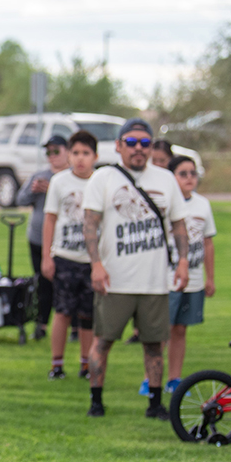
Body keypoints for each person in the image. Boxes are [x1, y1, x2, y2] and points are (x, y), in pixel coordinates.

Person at [81, 117, 189, 419]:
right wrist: (96, 265)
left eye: (144, 143)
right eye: (131, 142)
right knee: (103, 341)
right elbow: (89, 224)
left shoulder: (166, 179)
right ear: (119, 146)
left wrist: (182, 261)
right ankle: (96, 402)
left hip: (154, 280)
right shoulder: (103, 178)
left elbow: (179, 224)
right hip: (115, 279)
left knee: (154, 344)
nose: (138, 148)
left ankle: (155, 404)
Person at [41, 131, 98, 380]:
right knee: (62, 311)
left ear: (95, 156)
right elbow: (50, 219)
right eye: (75, 153)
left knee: (88, 315)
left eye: (86, 153)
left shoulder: (101, 181)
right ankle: (57, 364)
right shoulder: (59, 182)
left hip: (92, 260)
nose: (80, 158)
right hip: (65, 257)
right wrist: (47, 255)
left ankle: (86, 364)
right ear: (69, 155)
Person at [164, 155, 216, 392]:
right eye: (182, 173)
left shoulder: (202, 204)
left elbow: (208, 243)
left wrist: (210, 278)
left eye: (193, 173)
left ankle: (174, 378)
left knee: (180, 329)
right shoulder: (166, 204)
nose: (189, 178)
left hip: (194, 278)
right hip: (168, 278)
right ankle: (150, 378)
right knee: (162, 330)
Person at [17, 134, 70, 341]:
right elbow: (20, 199)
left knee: (67, 285)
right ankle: (42, 324)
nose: (52, 155)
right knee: (42, 283)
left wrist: (52, 191)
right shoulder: (39, 175)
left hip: (64, 241)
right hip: (38, 238)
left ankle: (75, 327)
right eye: (48, 152)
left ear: (67, 152)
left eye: (56, 151)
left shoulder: (72, 177)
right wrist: (33, 190)